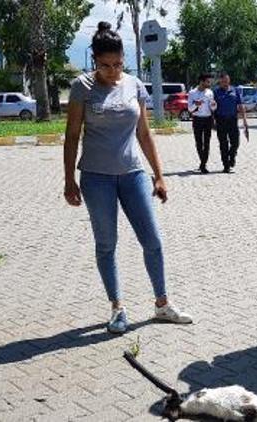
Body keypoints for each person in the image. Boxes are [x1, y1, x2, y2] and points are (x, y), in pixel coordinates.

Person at [63, 22, 192, 334]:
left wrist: (159, 176)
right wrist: (69, 180)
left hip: (133, 174)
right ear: (94, 61)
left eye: (118, 64)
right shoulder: (82, 87)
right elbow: (71, 136)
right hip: (96, 178)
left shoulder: (134, 85)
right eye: (105, 65)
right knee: (107, 244)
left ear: (125, 59)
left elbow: (144, 134)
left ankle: (162, 304)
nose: (112, 71)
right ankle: (117, 308)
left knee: (153, 241)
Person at [213, 72, 249, 173]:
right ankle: (226, 165)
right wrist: (213, 121)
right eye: (223, 81)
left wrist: (245, 121)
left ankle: (232, 156)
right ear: (220, 81)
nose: (225, 83)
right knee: (223, 144)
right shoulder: (215, 92)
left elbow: (241, 106)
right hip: (221, 120)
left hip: (233, 120)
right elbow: (212, 107)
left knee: (235, 142)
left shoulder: (235, 90)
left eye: (227, 81)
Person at [188, 74, 217, 174]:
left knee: (207, 143)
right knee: (199, 143)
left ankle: (203, 165)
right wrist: (196, 104)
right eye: (207, 82)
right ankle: (202, 162)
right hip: (197, 119)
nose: (209, 84)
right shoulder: (192, 93)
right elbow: (189, 109)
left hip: (208, 119)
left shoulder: (210, 92)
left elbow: (212, 108)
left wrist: (214, 105)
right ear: (201, 81)